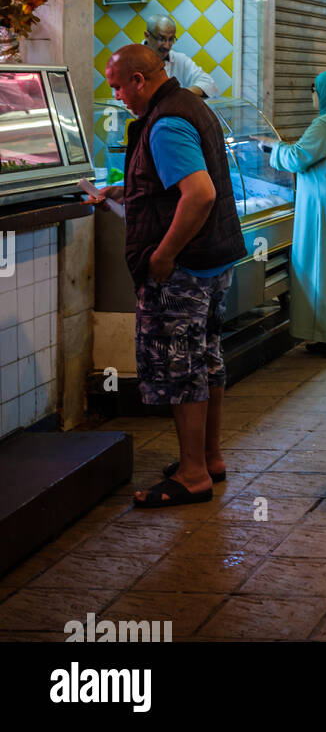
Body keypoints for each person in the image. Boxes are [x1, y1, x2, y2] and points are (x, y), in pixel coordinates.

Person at [97, 45, 246, 509]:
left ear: (140, 80)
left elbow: (198, 194)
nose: (116, 94)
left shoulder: (164, 122)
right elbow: (180, 181)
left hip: (185, 270)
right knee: (205, 359)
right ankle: (210, 458)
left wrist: (163, 255)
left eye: (118, 85)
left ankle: (193, 474)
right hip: (213, 261)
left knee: (180, 370)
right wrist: (127, 189)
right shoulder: (189, 104)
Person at [258, 71, 326, 358]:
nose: (312, 96)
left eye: (314, 90)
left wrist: (272, 145)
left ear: (324, 93)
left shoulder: (325, 124)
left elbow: (297, 158)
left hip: (323, 210)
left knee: (324, 270)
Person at [144, 15, 219, 99]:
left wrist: (178, 94)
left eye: (171, 39)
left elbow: (209, 84)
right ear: (147, 36)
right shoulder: (130, 59)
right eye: (161, 39)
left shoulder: (179, 59)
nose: (167, 45)